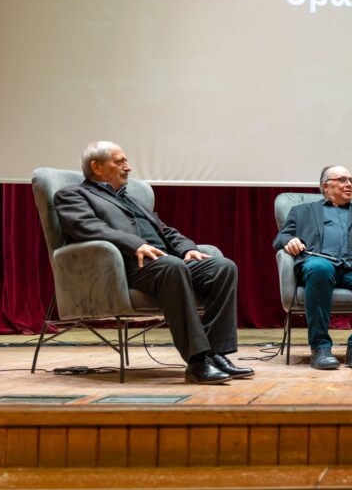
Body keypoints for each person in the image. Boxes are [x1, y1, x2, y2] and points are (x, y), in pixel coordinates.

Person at [54, 141, 250, 385]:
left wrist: (188, 249)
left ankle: (216, 355)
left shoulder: (132, 199)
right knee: (173, 267)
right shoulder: (72, 195)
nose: (128, 167)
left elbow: (165, 231)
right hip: (125, 267)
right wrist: (135, 244)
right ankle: (198, 361)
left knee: (223, 267)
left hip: (164, 261)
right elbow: (87, 227)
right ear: (97, 167)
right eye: (120, 162)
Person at [273, 165, 352, 371]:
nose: (349, 185)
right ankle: (320, 347)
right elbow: (281, 236)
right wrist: (290, 240)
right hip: (317, 266)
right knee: (321, 267)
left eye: (351, 181)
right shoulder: (301, 211)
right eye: (342, 180)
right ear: (325, 186)